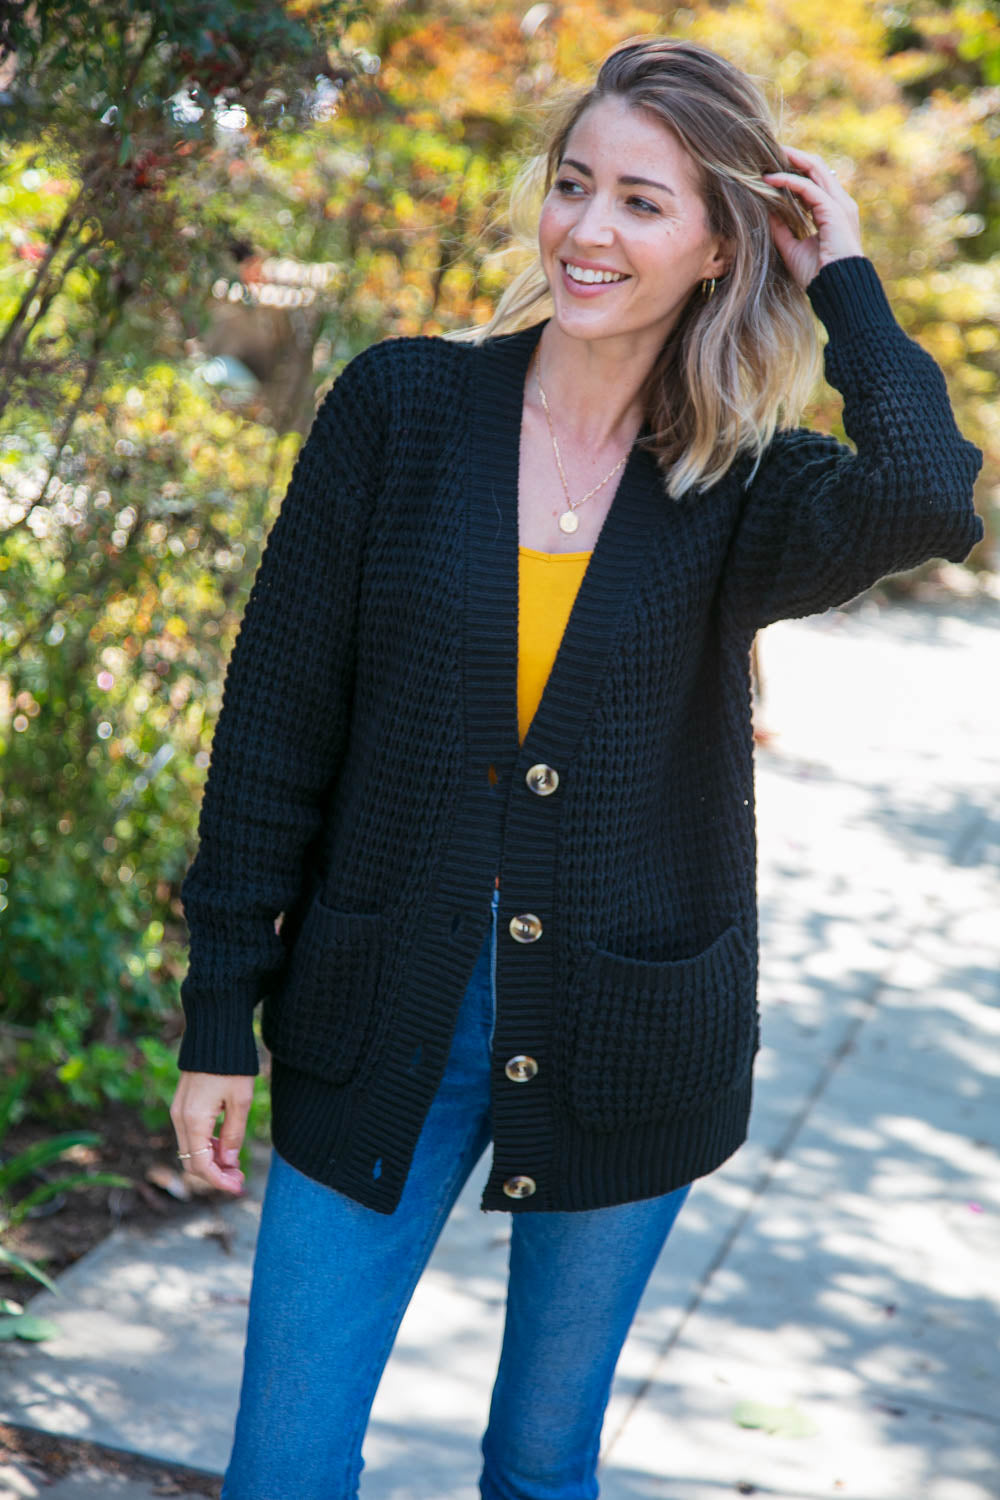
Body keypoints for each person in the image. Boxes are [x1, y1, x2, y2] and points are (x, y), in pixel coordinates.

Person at [170, 34, 984, 1500]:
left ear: (721, 242)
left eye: (643, 204)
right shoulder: (401, 410)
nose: (590, 232)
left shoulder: (740, 482)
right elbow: (274, 721)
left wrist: (843, 278)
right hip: (378, 999)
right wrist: (219, 1012)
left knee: (544, 1463)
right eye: (573, 186)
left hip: (627, 1021)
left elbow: (933, 495)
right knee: (281, 1466)